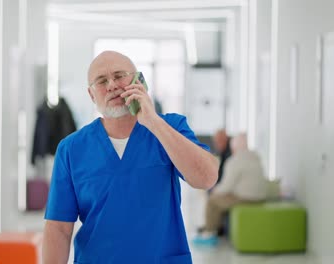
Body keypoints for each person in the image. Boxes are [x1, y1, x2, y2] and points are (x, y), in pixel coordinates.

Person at [42, 50, 218, 264]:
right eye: (101, 81)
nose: (112, 85)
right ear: (91, 95)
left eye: (119, 76)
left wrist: (152, 121)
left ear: (139, 81)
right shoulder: (71, 149)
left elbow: (206, 178)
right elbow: (59, 228)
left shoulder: (171, 128)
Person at [193, 133, 267, 246]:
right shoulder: (255, 157)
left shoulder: (234, 161)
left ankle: (209, 233)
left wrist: (214, 190)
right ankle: (215, 227)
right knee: (221, 198)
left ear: (234, 147)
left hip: (246, 199)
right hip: (260, 197)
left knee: (213, 200)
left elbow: (226, 186)